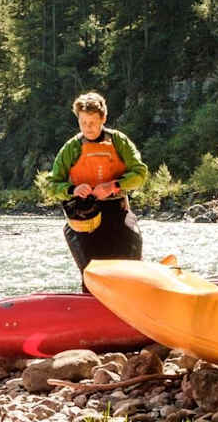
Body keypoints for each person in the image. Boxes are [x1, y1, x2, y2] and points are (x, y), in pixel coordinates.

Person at [43, 92, 150, 288]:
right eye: (83, 122)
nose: (88, 128)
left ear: (103, 118)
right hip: (84, 219)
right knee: (92, 274)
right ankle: (91, 299)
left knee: (131, 259)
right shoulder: (71, 148)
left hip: (117, 211)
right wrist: (72, 189)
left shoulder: (119, 141)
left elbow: (140, 173)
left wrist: (114, 185)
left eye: (92, 122)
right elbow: (51, 185)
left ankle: (136, 295)